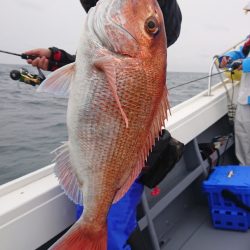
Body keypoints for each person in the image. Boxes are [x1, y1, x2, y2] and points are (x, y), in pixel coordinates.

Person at [24, 0, 183, 249]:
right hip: (115, 162)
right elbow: (90, 70)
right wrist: (57, 59)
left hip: (119, 163)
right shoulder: (112, 49)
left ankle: (93, 230)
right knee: (111, 227)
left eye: (150, 25)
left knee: (111, 234)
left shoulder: (144, 36)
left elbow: (161, 26)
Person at [219, 3, 250, 166]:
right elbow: (240, 52)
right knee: (243, 136)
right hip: (246, 99)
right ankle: (246, 179)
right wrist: (227, 58)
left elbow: (245, 61)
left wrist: (244, 64)